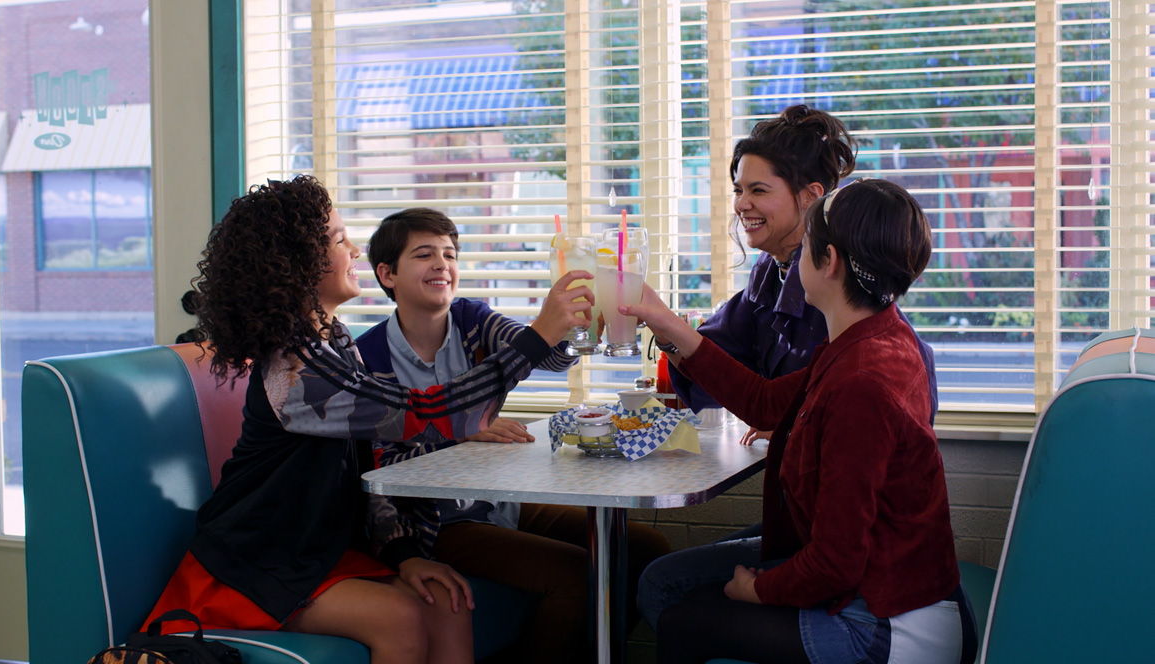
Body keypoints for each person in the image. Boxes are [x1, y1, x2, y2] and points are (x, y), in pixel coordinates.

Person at [141, 176, 592, 664]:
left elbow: (369, 468)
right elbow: (430, 412)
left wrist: (404, 555)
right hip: (259, 560)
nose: (354, 250)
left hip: (318, 550)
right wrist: (540, 333)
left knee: (447, 600)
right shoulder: (298, 372)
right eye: (339, 240)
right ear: (297, 265)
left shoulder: (333, 345)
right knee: (399, 616)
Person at [623, 179, 976, 664]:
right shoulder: (873, 339)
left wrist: (759, 591)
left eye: (805, 245)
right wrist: (666, 323)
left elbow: (835, 562)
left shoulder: (862, 384)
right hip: (878, 589)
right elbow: (766, 403)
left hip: (885, 622)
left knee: (684, 620)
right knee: (669, 585)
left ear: (828, 262)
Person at [355, 208, 672, 664]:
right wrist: (461, 432)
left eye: (449, 253)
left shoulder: (470, 320)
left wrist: (569, 328)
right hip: (434, 523)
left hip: (497, 501)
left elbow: (537, 353)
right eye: (424, 255)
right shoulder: (367, 359)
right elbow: (376, 471)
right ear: (387, 274)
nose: (442, 264)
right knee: (577, 575)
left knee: (647, 549)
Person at [669, 105, 938, 449]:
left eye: (759, 190)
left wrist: (796, 430)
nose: (741, 204)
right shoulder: (768, 273)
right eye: (738, 190)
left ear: (811, 197)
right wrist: (658, 325)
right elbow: (727, 379)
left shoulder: (838, 295)